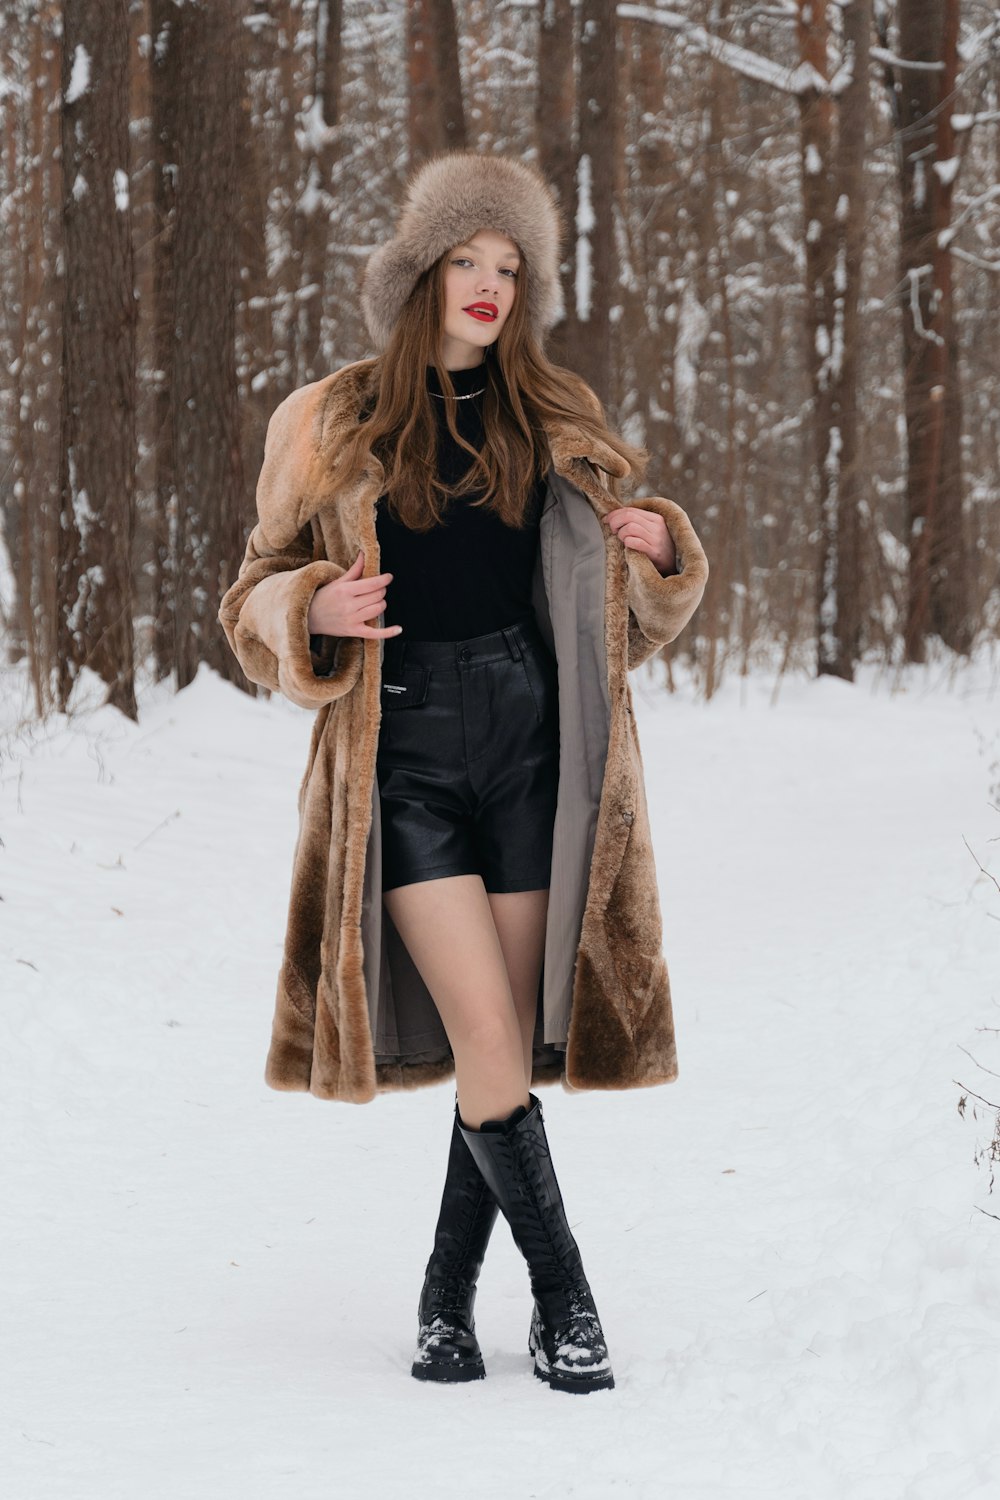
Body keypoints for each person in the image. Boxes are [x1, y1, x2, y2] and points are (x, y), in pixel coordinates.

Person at [218, 150, 709, 1396]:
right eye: (467, 261)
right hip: (407, 755)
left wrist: (658, 557)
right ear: (419, 271)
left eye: (509, 267)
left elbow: (626, 625)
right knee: (486, 1028)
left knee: (503, 1048)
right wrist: (312, 605)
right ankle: (566, 1300)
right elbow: (246, 602)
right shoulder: (325, 421)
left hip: (535, 746)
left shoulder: (555, 415)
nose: (489, 286)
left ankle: (444, 1303)